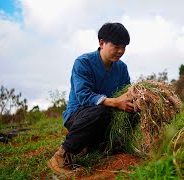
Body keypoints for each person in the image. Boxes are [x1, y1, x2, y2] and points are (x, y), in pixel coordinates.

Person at [47, 22, 134, 176]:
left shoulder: (122, 68)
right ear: (101, 43)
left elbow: (126, 93)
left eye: (124, 47)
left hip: (106, 119)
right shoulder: (83, 62)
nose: (121, 51)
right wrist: (114, 102)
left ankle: (89, 146)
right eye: (116, 46)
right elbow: (83, 95)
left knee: (129, 111)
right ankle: (60, 157)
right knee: (101, 111)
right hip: (79, 115)